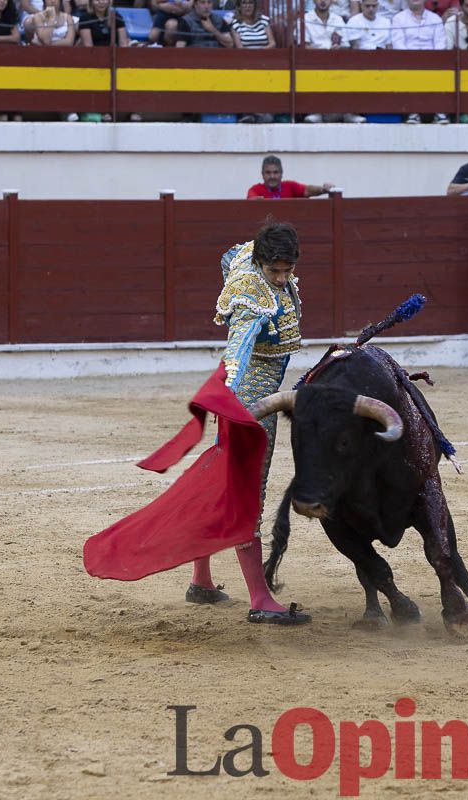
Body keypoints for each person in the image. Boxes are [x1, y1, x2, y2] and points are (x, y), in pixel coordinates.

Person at [187, 221, 311, 625]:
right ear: (260, 264)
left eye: (287, 270)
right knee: (247, 496)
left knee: (223, 490)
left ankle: (201, 580)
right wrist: (232, 397)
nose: (281, 278)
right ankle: (260, 598)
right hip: (250, 409)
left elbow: (231, 253)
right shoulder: (249, 296)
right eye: (274, 271)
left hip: (259, 402)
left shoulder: (249, 262)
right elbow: (238, 348)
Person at [247, 155, 334, 199]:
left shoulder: (290, 186)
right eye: (268, 173)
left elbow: (307, 190)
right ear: (262, 174)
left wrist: (323, 189)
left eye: (276, 172)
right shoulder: (255, 189)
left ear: (281, 174)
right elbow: (252, 200)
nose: (272, 176)